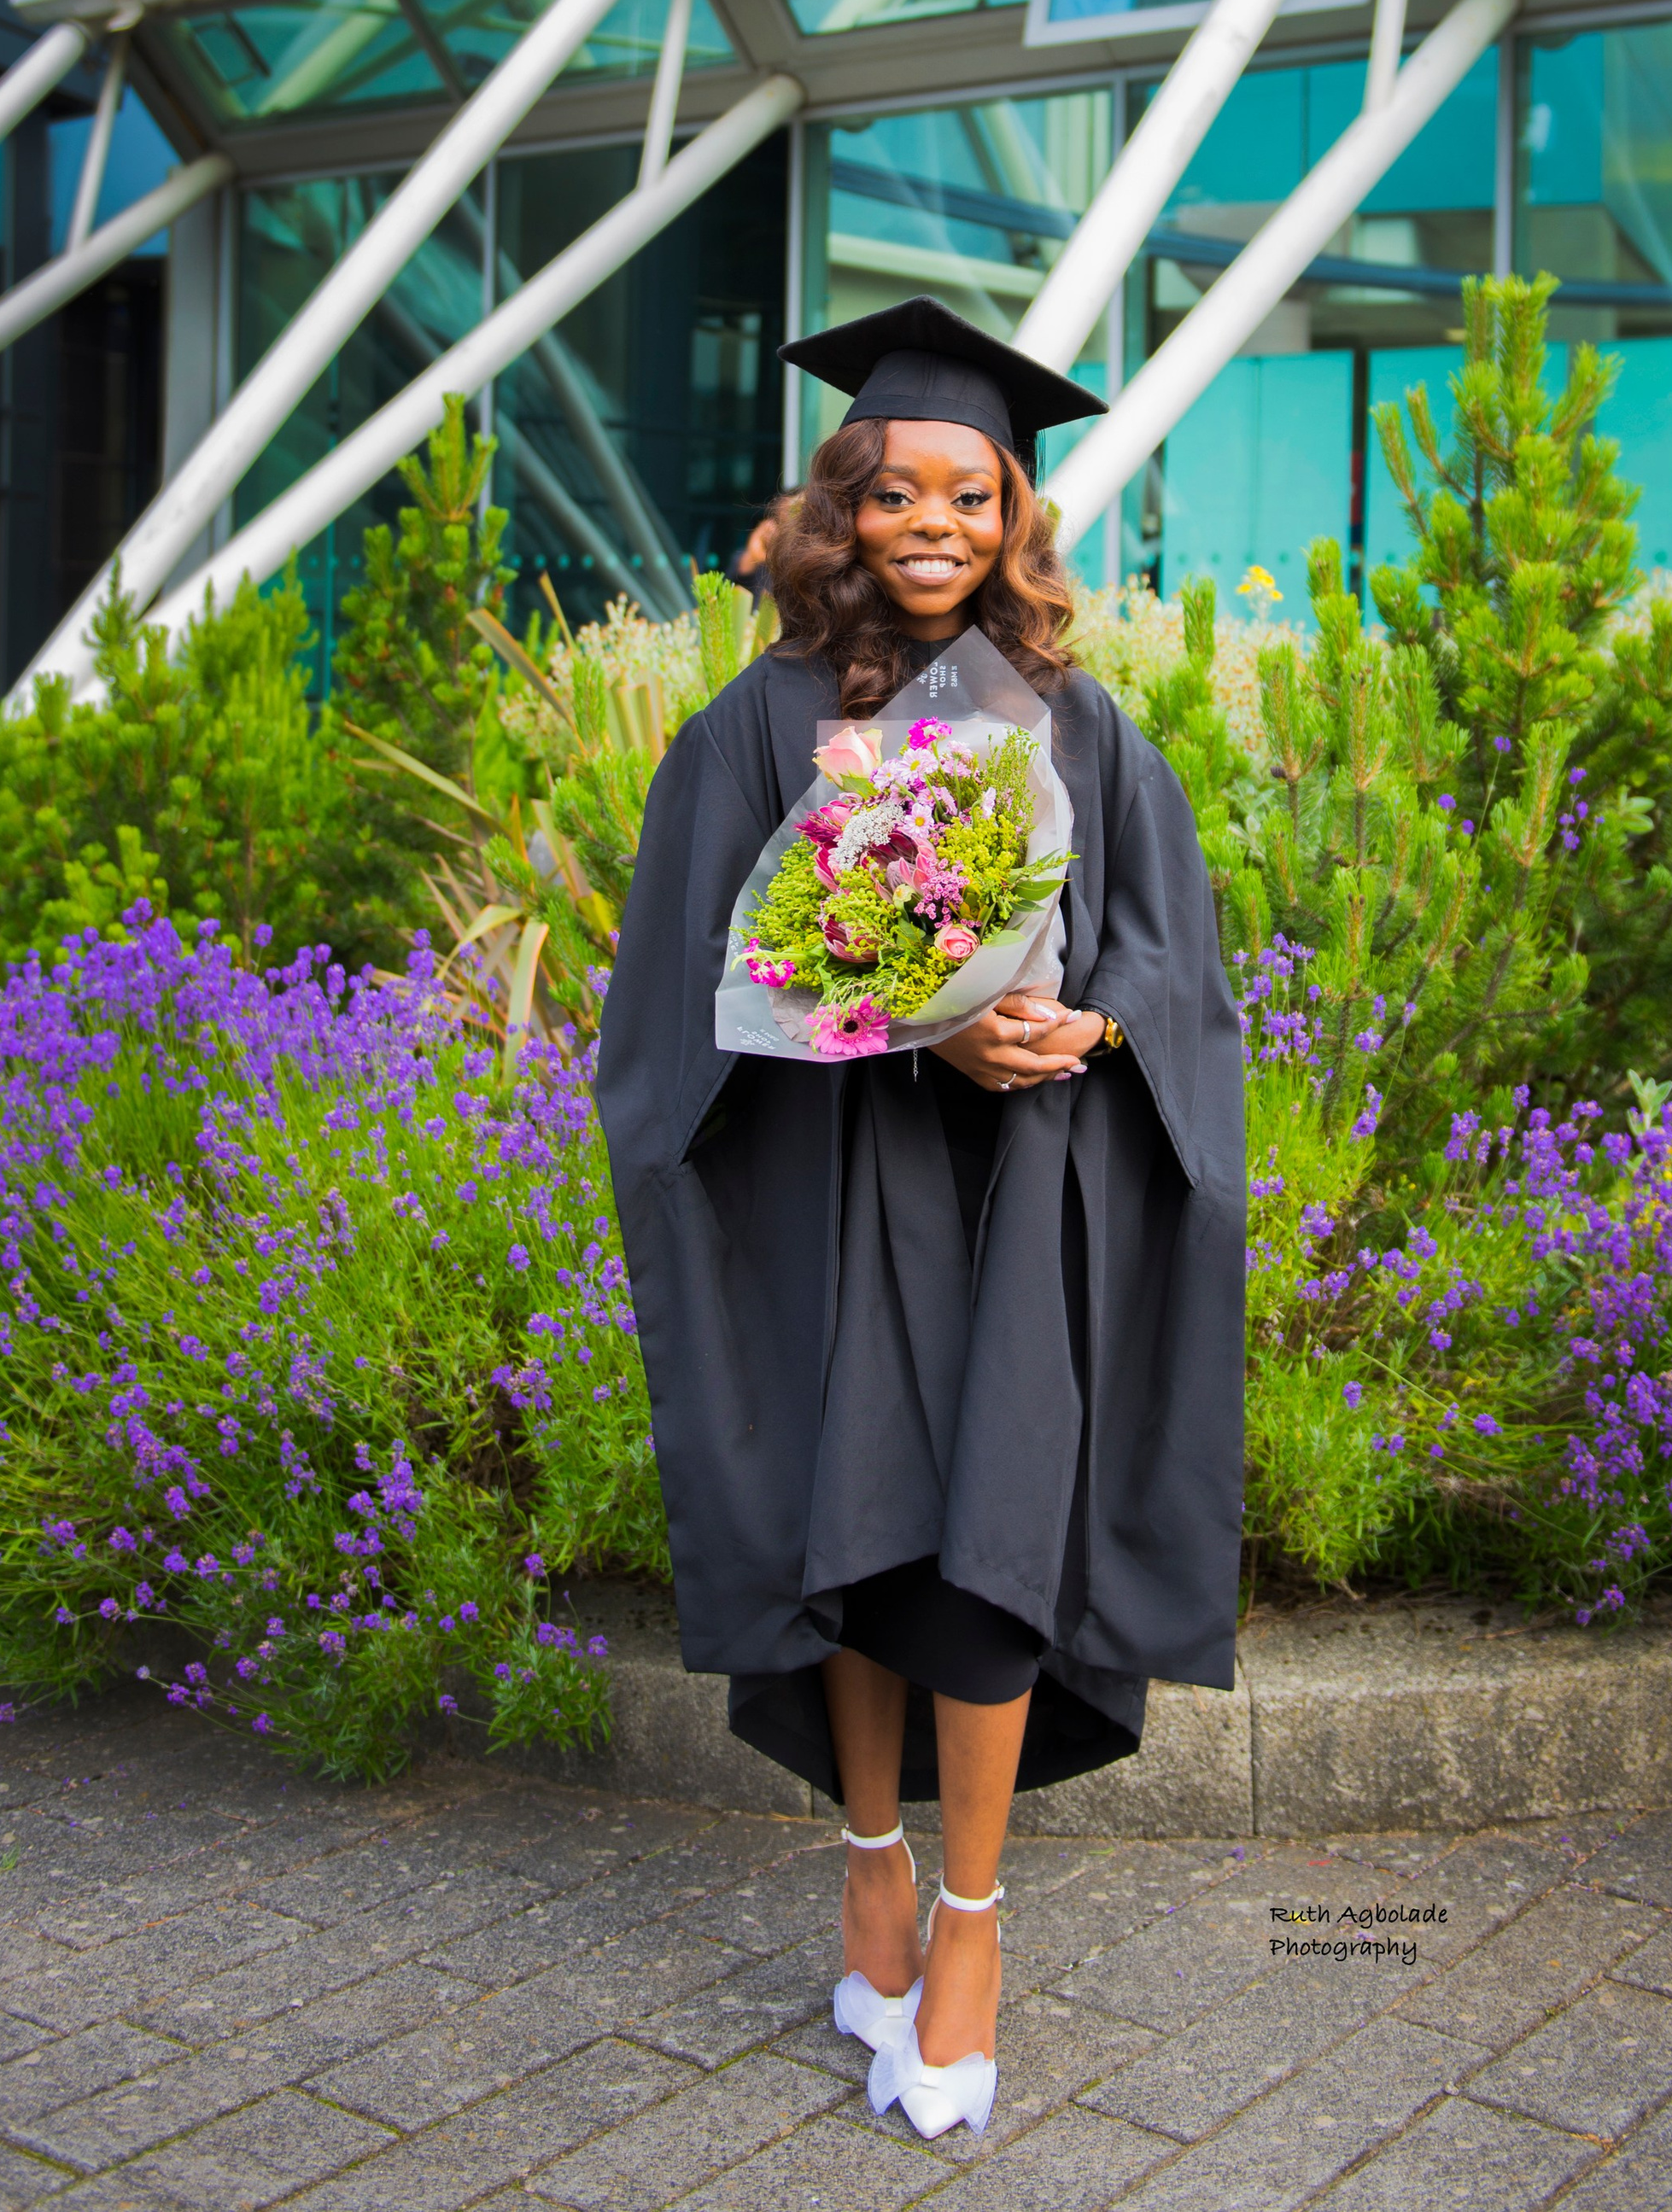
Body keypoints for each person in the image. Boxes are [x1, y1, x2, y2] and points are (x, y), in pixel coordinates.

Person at [595, 294, 1245, 2141]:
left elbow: (1166, 956)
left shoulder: (1074, 717)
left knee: (980, 1556)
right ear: (843, 513)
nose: (938, 522)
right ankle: (867, 1865)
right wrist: (904, 1024)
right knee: (864, 1541)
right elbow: (679, 987)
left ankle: (968, 1924)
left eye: (974, 491)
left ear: (1014, 515)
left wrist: (1079, 1021)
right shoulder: (752, 724)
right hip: (827, 1195)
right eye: (898, 492)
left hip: (1014, 1198)